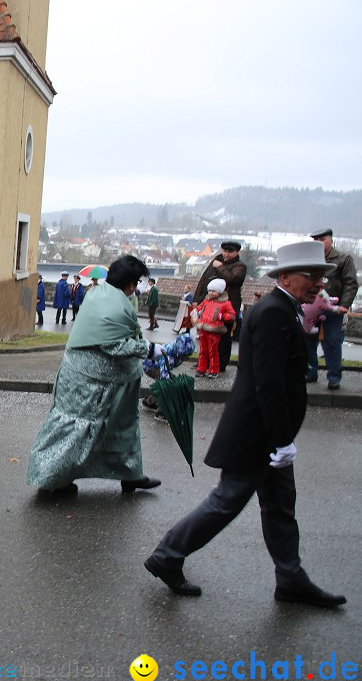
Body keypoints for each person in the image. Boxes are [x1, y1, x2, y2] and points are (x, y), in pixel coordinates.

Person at [145, 241, 346, 608]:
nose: (319, 283)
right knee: (226, 503)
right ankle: (167, 554)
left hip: (269, 434)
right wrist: (282, 441)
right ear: (286, 276)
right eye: (312, 276)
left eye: (321, 277)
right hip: (259, 435)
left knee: (280, 506)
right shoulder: (273, 311)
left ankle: (290, 577)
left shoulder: (284, 308)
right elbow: (267, 384)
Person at [27, 255, 162, 495]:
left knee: (121, 425)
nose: (138, 287)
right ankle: (50, 480)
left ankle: (130, 474)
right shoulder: (113, 305)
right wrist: (150, 350)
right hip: (90, 384)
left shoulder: (99, 293)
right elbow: (115, 345)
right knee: (76, 430)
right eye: (137, 282)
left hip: (96, 379)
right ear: (130, 284)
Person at [306, 228, 357, 390]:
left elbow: (350, 283)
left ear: (331, 240)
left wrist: (345, 305)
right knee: (307, 340)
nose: (319, 243)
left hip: (333, 308)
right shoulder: (310, 258)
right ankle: (310, 372)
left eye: (322, 240)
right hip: (310, 306)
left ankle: (334, 377)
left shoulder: (343, 259)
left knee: (332, 341)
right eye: (316, 240)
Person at [193, 241, 247, 373]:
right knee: (205, 335)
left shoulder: (240, 266)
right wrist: (196, 300)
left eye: (230, 252)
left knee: (223, 336)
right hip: (209, 304)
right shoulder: (216, 262)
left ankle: (220, 364)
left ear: (237, 252)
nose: (226, 254)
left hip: (226, 305)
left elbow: (232, 279)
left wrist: (220, 267)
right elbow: (204, 280)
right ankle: (204, 363)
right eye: (225, 251)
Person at [193, 278, 235, 379]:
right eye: (210, 290)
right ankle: (201, 369)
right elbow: (198, 308)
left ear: (220, 292)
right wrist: (196, 314)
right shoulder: (206, 300)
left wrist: (222, 316)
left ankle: (213, 370)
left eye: (213, 291)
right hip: (203, 328)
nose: (211, 293)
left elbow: (231, 314)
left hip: (214, 330)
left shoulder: (225, 303)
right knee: (203, 350)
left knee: (213, 351)